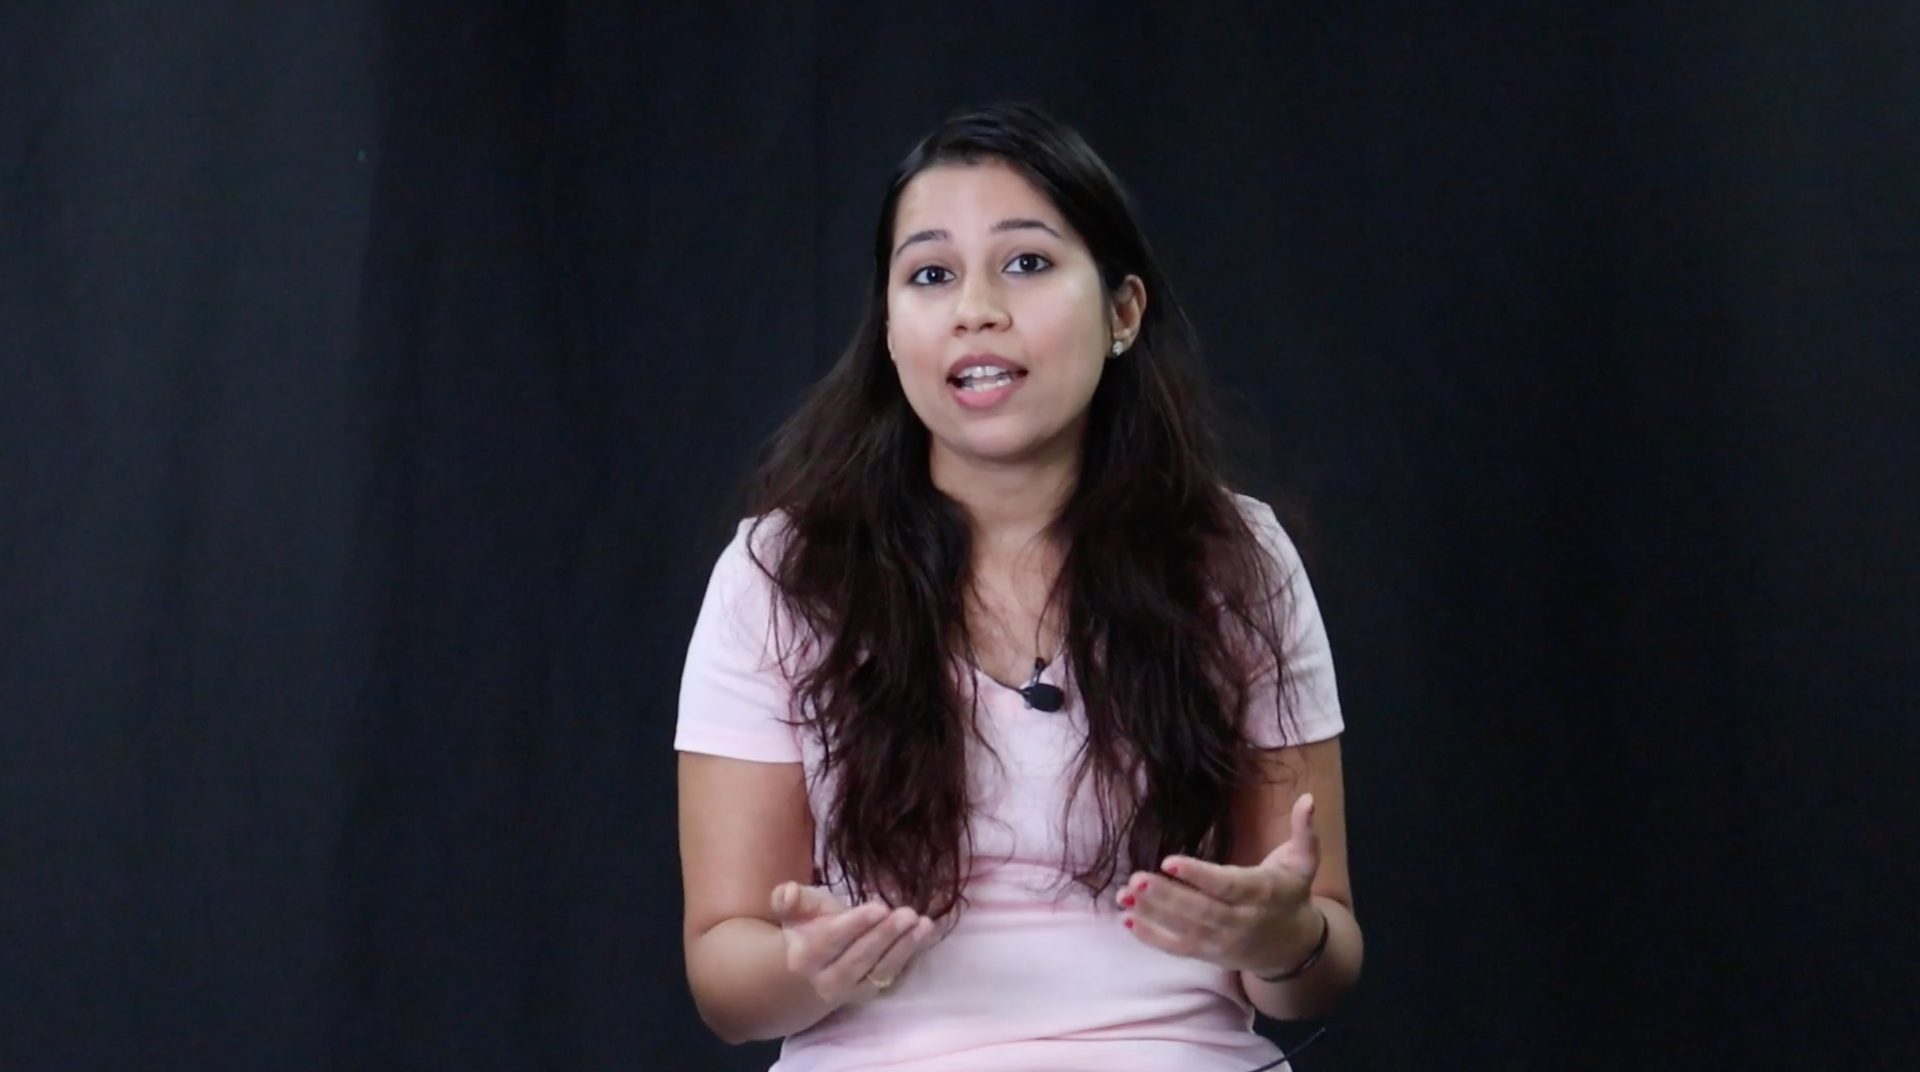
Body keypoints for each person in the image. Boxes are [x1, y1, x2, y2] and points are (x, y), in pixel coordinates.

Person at [675, 102, 1361, 1072]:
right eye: (930, 274)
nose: (976, 308)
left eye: (1027, 262)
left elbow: (1319, 958)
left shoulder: (1234, 555)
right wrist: (810, 964)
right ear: (890, 328)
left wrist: (1279, 938)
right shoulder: (779, 572)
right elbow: (727, 979)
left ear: (1123, 312)